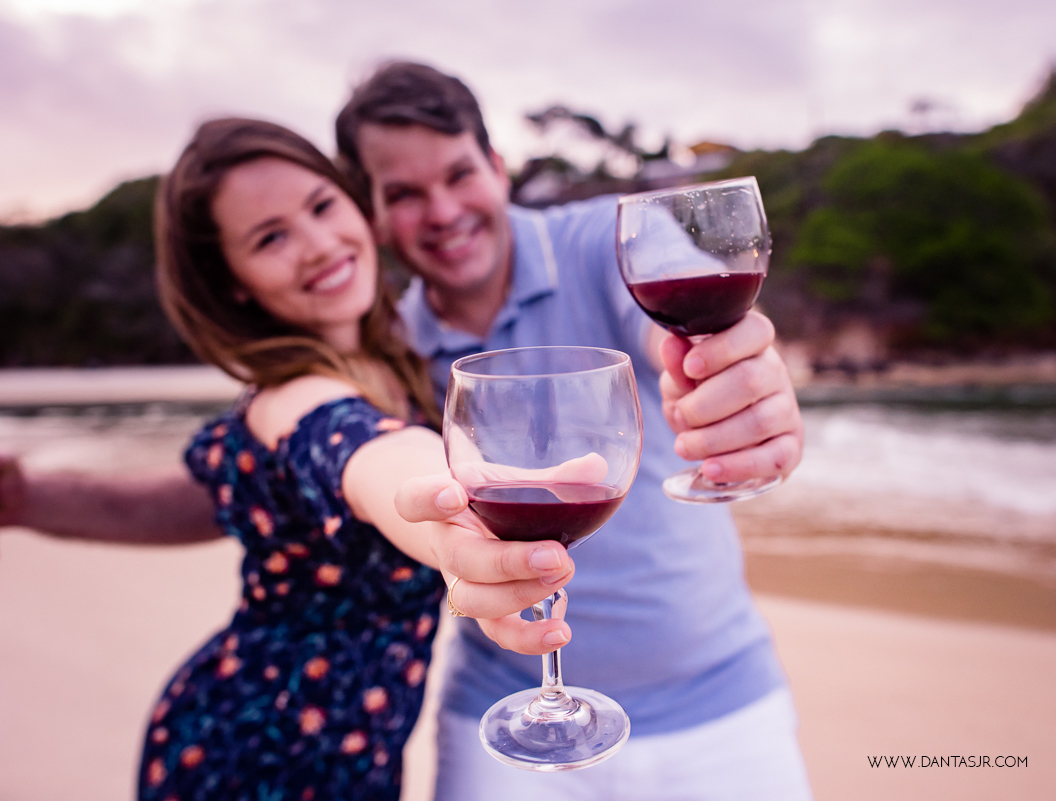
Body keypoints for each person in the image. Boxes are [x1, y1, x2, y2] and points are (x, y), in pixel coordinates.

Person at [0, 119, 578, 800]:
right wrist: (452, 520)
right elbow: (366, 459)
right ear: (234, 282)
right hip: (261, 753)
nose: (315, 244)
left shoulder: (393, 359)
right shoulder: (295, 396)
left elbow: (199, 501)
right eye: (271, 237)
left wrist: (30, 496)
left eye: (320, 206)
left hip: (347, 749)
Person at [334, 62, 813, 800]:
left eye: (460, 174)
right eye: (403, 194)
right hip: (503, 724)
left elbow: (670, 332)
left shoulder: (602, 240)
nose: (442, 210)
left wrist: (732, 380)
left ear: (497, 168)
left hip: (721, 706)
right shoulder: (390, 342)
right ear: (370, 211)